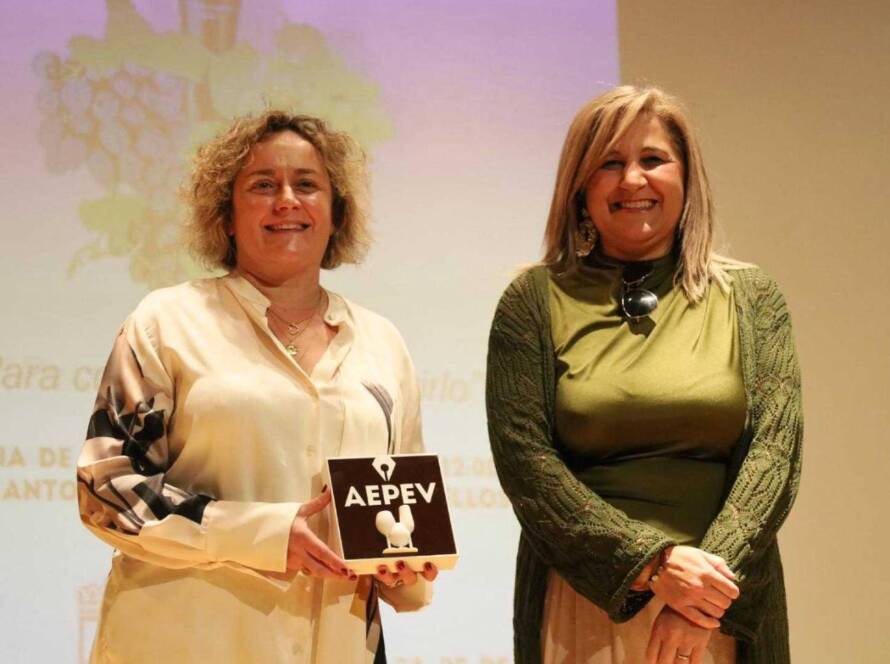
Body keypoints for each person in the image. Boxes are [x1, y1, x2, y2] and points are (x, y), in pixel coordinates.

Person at [76, 110, 437, 663]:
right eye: (263, 185)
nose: (287, 200)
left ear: (337, 213)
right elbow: (106, 491)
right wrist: (263, 532)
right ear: (226, 216)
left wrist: (406, 568)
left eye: (308, 185)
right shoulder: (166, 322)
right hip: (189, 643)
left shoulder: (383, 343)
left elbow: (402, 506)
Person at [486, 86, 802, 664]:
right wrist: (652, 564)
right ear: (580, 187)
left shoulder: (753, 298)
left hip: (719, 606)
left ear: (687, 177)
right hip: (586, 606)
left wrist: (697, 600)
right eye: (610, 163)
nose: (633, 180)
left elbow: (774, 459)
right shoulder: (530, 301)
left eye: (653, 160)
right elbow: (526, 466)